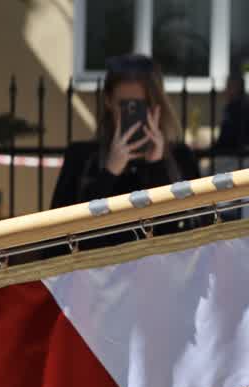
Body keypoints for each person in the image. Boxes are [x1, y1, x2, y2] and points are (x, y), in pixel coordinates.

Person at [50, 53, 200, 245]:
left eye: (140, 106)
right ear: (108, 102)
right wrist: (109, 173)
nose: (132, 114)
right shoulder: (82, 158)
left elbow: (189, 233)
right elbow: (59, 235)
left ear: (156, 105)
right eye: (125, 106)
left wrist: (157, 167)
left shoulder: (180, 158)